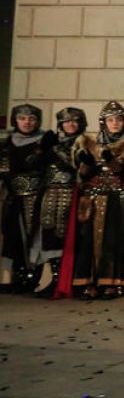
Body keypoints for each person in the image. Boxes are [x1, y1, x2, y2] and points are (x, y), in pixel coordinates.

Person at [64, 101, 124, 300]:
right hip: (94, 197)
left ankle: (111, 282)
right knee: (88, 240)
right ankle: (88, 282)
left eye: (118, 120)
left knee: (114, 240)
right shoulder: (90, 143)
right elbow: (83, 175)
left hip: (119, 197)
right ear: (104, 123)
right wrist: (87, 165)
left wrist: (111, 161)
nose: (115, 123)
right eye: (110, 120)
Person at [38, 108, 87, 297]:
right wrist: (42, 150)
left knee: (70, 236)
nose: (71, 124)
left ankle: (69, 280)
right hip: (50, 192)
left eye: (75, 121)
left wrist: (55, 149)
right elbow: (33, 164)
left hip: (72, 193)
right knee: (50, 235)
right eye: (66, 121)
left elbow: (76, 165)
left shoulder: (84, 142)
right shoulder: (53, 142)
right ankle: (55, 278)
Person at [0, 104, 46, 293]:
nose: (27, 122)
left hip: (37, 198)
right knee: (12, 236)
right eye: (22, 118)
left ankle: (33, 277)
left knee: (34, 237)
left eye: (31, 119)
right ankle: (14, 277)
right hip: (12, 197)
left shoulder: (44, 142)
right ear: (15, 120)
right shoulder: (6, 143)